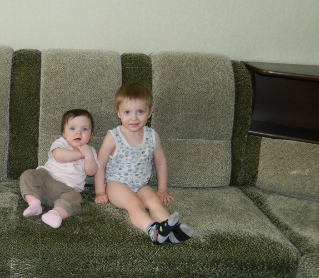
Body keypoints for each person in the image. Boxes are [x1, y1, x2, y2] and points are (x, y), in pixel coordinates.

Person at [94, 82, 194, 244]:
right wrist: (100, 191)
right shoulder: (113, 137)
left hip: (141, 184)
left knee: (154, 201)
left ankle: (171, 230)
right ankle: (152, 230)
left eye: (140, 111)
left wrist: (162, 189)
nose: (134, 118)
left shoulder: (152, 136)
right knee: (135, 204)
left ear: (150, 112)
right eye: (127, 112)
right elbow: (100, 164)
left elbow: (161, 163)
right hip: (116, 184)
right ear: (118, 112)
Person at [20, 109, 100, 228]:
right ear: (63, 133)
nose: (78, 132)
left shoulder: (90, 151)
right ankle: (34, 203)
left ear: (91, 135)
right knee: (28, 175)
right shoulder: (61, 143)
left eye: (84, 129)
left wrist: (88, 156)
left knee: (75, 199)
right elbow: (59, 156)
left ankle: (56, 213)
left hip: (68, 189)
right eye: (72, 128)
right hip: (47, 179)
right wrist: (80, 155)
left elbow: (91, 172)